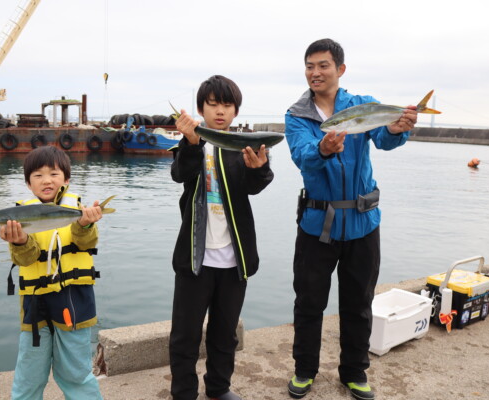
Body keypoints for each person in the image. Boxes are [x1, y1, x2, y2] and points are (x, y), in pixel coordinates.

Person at [284, 39, 418, 400]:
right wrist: (322, 148)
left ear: (340, 69)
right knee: (309, 302)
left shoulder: (362, 106)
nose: (316, 72)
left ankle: (355, 372)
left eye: (323, 65)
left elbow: (384, 139)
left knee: (359, 302)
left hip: (363, 223)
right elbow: (301, 156)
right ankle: (304, 370)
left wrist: (396, 127)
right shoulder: (296, 115)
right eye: (310, 66)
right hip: (317, 224)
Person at [169, 75, 274, 400]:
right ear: (201, 108)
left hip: (234, 260)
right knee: (185, 336)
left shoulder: (243, 147)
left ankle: (218, 388)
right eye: (212, 104)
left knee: (224, 333)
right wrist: (189, 144)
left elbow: (256, 185)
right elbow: (179, 175)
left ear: (235, 111)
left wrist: (259, 168)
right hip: (194, 259)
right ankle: (184, 392)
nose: (219, 110)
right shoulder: (191, 143)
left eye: (226, 105)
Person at [0, 145, 105, 400]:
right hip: (35, 301)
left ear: (66, 179)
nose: (46, 180)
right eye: (37, 175)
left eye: (54, 174)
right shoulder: (18, 216)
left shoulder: (78, 210)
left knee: (76, 371)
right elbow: (26, 259)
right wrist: (20, 241)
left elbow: (86, 244)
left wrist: (84, 224)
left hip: (74, 298)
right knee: (29, 372)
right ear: (28, 184)